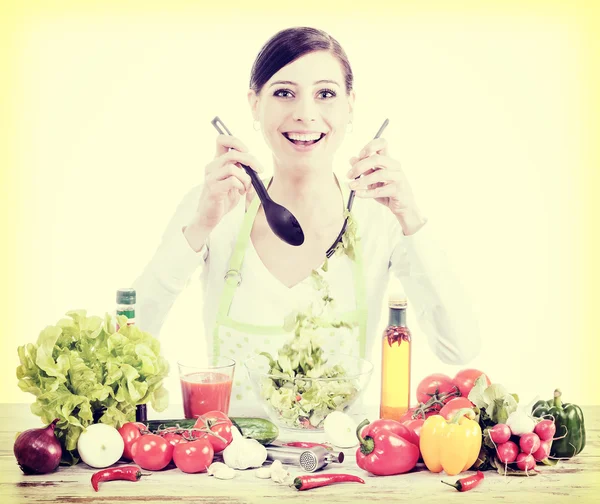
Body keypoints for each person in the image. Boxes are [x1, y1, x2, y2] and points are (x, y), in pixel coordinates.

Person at [133, 27, 480, 417]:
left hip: (345, 468)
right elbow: (130, 340)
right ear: (254, 104)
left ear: (350, 105)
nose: (305, 113)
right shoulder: (214, 206)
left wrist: (411, 217)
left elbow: (459, 347)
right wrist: (198, 228)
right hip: (228, 466)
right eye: (284, 92)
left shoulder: (377, 215)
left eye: (326, 94)